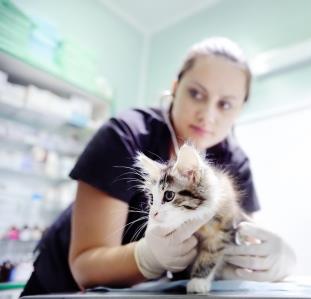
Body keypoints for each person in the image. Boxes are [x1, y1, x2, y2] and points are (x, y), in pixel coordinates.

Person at [21, 37, 296, 296]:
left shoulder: (235, 161)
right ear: (175, 88)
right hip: (62, 287)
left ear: (239, 111)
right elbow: (84, 268)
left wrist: (274, 262)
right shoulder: (126, 135)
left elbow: (242, 236)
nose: (208, 115)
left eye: (225, 104)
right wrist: (148, 258)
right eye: (196, 94)